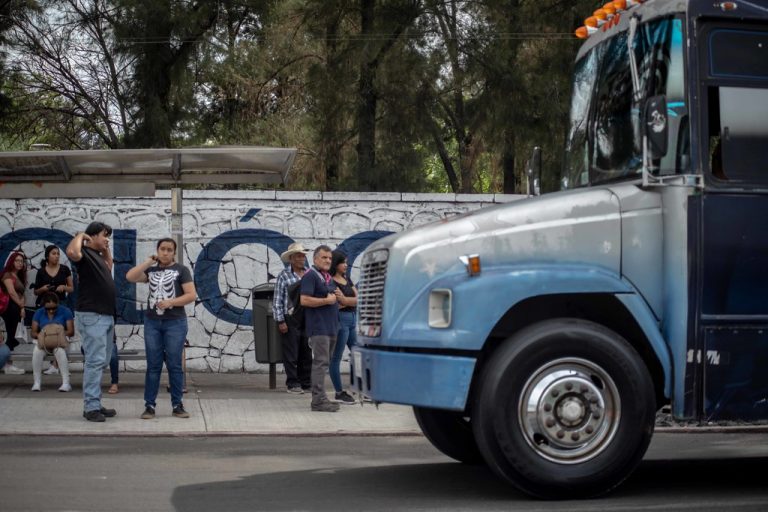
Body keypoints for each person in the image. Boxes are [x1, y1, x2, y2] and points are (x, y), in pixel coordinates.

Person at [126, 238, 196, 420]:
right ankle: (149, 405)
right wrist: (148, 262)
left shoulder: (182, 270)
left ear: (174, 253)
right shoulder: (151, 271)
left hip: (175, 323)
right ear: (157, 250)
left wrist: (171, 302)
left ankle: (177, 405)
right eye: (162, 249)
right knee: (153, 365)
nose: (165, 252)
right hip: (152, 323)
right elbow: (130, 277)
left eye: (169, 250)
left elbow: (191, 295)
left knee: (174, 364)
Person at [66, 221, 118, 422]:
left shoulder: (97, 256)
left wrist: (105, 249)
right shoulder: (84, 255)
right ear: (92, 236)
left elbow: (109, 266)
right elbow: (72, 252)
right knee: (95, 361)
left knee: (101, 361)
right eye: (104, 235)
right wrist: (81, 235)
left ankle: (95, 401)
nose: (107, 240)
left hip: (105, 315)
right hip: (92, 315)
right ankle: (91, 407)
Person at [300, 245, 340, 412]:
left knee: (324, 364)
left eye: (330, 258)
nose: (328, 260)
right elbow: (304, 300)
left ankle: (321, 397)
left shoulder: (327, 277)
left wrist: (336, 298)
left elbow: (333, 298)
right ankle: (318, 401)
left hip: (330, 327)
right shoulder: (311, 275)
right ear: (315, 259)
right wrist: (327, 301)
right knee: (320, 363)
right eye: (324, 257)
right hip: (319, 328)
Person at [272, 242, 312, 394]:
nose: (302, 259)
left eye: (303, 256)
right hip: (290, 318)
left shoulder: (309, 274)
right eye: (298, 256)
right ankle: (293, 383)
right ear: (291, 259)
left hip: (307, 317)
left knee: (306, 352)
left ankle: (306, 382)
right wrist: (280, 320)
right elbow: (278, 300)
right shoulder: (284, 275)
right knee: (291, 352)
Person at [32, 245, 74, 376]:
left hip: (61, 304)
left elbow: (71, 288)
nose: (56, 256)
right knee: (48, 332)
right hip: (45, 306)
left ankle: (56, 365)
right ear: (47, 256)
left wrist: (64, 287)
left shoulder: (64, 269)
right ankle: (54, 364)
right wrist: (43, 289)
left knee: (61, 332)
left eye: (58, 254)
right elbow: (35, 291)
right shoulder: (41, 272)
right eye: (53, 254)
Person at [328, 250, 358, 405]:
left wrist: (346, 300)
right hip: (341, 320)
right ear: (335, 263)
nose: (346, 265)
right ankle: (339, 393)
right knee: (336, 357)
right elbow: (339, 302)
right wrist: (347, 301)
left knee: (357, 354)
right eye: (343, 262)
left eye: (346, 262)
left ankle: (358, 388)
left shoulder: (346, 278)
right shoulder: (331, 282)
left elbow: (358, 299)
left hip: (352, 319)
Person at [30, 292, 73, 392]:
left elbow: (71, 331)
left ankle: (66, 383)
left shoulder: (65, 311)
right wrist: (42, 335)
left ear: (58, 304)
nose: (51, 310)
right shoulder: (39, 312)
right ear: (43, 306)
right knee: (36, 352)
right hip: (44, 342)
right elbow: (33, 332)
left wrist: (57, 334)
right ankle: (36, 382)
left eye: (54, 308)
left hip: (59, 342)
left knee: (60, 352)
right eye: (48, 308)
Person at [1, 251, 29, 375]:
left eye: (21, 261)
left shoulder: (19, 276)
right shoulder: (7, 275)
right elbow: (12, 293)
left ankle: (8, 363)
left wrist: (22, 307)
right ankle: (7, 364)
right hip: (10, 308)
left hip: (16, 307)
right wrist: (21, 306)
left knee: (13, 335)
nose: (20, 263)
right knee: (11, 335)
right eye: (17, 260)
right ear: (11, 261)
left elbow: (22, 294)